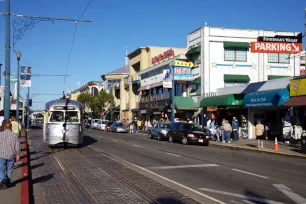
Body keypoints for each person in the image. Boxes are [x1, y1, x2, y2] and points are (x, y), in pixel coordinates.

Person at [0, 122, 20, 189]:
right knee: (10, 169)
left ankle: (2, 179)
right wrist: (17, 155)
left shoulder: (0, 134)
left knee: (1, 169)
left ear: (4, 127)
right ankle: (8, 182)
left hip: (1, 155)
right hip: (11, 155)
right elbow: (17, 147)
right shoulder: (14, 135)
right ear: (11, 127)